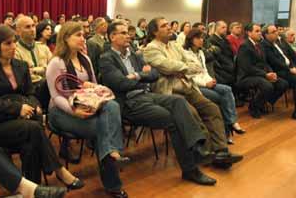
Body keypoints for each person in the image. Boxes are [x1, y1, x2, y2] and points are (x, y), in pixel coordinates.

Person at [100, 21, 219, 186]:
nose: (128, 35)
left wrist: (137, 76)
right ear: (112, 37)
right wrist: (142, 75)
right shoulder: (106, 59)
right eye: (123, 33)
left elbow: (154, 74)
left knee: (178, 101)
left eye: (128, 32)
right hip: (128, 103)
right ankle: (192, 167)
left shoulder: (133, 54)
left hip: (146, 95)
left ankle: (197, 146)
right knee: (174, 120)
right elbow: (120, 84)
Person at [0, 24, 83, 189]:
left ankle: (34, 189)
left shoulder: (21, 66)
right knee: (33, 129)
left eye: (13, 42)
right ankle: (59, 170)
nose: (13, 47)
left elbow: (31, 93)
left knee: (31, 143)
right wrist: (18, 109)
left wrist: (34, 106)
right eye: (7, 43)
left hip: (24, 120)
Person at [143, 17, 243, 168]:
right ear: (154, 32)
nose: (169, 27)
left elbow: (194, 65)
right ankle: (207, 154)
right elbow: (166, 65)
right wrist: (179, 68)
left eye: (168, 24)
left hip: (187, 87)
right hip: (170, 92)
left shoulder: (174, 46)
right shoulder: (151, 48)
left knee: (212, 109)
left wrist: (179, 69)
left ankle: (221, 150)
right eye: (164, 26)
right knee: (193, 114)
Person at [46, 21, 129, 198]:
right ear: (66, 38)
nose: (83, 38)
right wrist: (73, 111)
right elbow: (56, 96)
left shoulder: (86, 59)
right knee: (102, 128)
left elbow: (94, 87)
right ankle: (113, 181)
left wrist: (92, 86)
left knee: (112, 106)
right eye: (78, 35)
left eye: (83, 35)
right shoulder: (56, 62)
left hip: (85, 104)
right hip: (60, 111)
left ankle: (113, 153)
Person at [183, 28, 245, 144]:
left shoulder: (200, 52)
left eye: (202, 38)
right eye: (198, 38)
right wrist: (205, 83)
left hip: (206, 82)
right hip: (195, 86)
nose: (201, 40)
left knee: (227, 89)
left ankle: (232, 122)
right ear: (191, 39)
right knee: (219, 98)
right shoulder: (185, 54)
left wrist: (210, 80)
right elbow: (189, 75)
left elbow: (204, 71)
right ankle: (225, 135)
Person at [0, 130, 66, 198]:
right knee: (35, 129)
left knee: (31, 144)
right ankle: (57, 171)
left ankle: (31, 187)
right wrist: (19, 109)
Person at [236, 23, 289, 118]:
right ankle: (253, 107)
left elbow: (265, 63)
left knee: (283, 84)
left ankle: (265, 102)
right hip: (246, 76)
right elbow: (247, 68)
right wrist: (265, 75)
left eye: (260, 31)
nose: (260, 33)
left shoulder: (260, 45)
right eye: (257, 31)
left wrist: (271, 72)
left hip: (260, 74)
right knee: (267, 86)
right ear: (249, 33)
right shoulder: (245, 46)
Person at [261, 24, 296, 120]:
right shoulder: (265, 45)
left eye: (276, 31)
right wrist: (290, 69)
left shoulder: (279, 42)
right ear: (266, 35)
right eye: (273, 32)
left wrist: (295, 67)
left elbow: (291, 55)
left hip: (288, 69)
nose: (277, 33)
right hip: (278, 71)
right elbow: (274, 61)